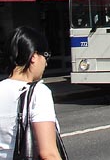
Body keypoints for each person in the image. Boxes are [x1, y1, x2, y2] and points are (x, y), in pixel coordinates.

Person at [0, 26, 63, 160]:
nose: (46, 63)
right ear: (34, 56)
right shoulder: (38, 92)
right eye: (46, 55)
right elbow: (48, 153)